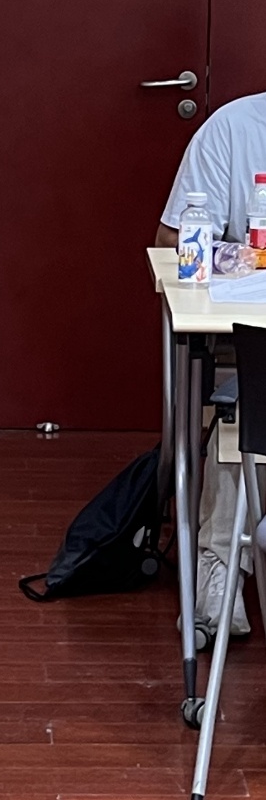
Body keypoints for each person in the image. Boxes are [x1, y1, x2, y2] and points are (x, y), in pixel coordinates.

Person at [157, 90, 266, 637]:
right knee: (241, 399)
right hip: (252, 334)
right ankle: (221, 566)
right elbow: (174, 240)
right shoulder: (234, 128)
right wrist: (242, 257)